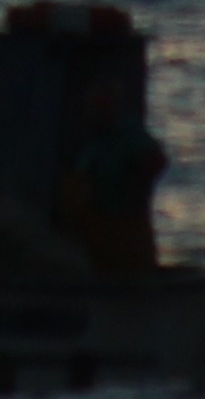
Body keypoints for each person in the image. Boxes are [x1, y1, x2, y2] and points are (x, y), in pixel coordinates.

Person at [54, 74, 168, 273]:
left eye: (101, 104)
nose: (93, 111)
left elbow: (156, 161)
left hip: (125, 238)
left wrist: (135, 187)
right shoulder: (93, 147)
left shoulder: (129, 135)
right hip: (96, 245)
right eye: (92, 105)